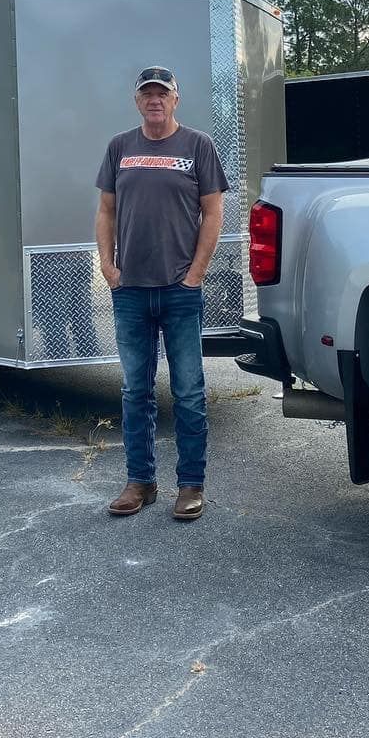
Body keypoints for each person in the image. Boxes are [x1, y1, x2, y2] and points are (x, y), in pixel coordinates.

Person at [95, 66, 228, 521]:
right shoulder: (120, 147)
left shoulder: (198, 146)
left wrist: (195, 275)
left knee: (189, 392)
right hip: (130, 290)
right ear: (137, 101)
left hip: (180, 291)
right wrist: (109, 267)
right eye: (147, 94)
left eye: (162, 94)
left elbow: (213, 213)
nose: (155, 100)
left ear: (176, 100)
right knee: (135, 391)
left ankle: (191, 486)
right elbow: (106, 210)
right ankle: (140, 482)